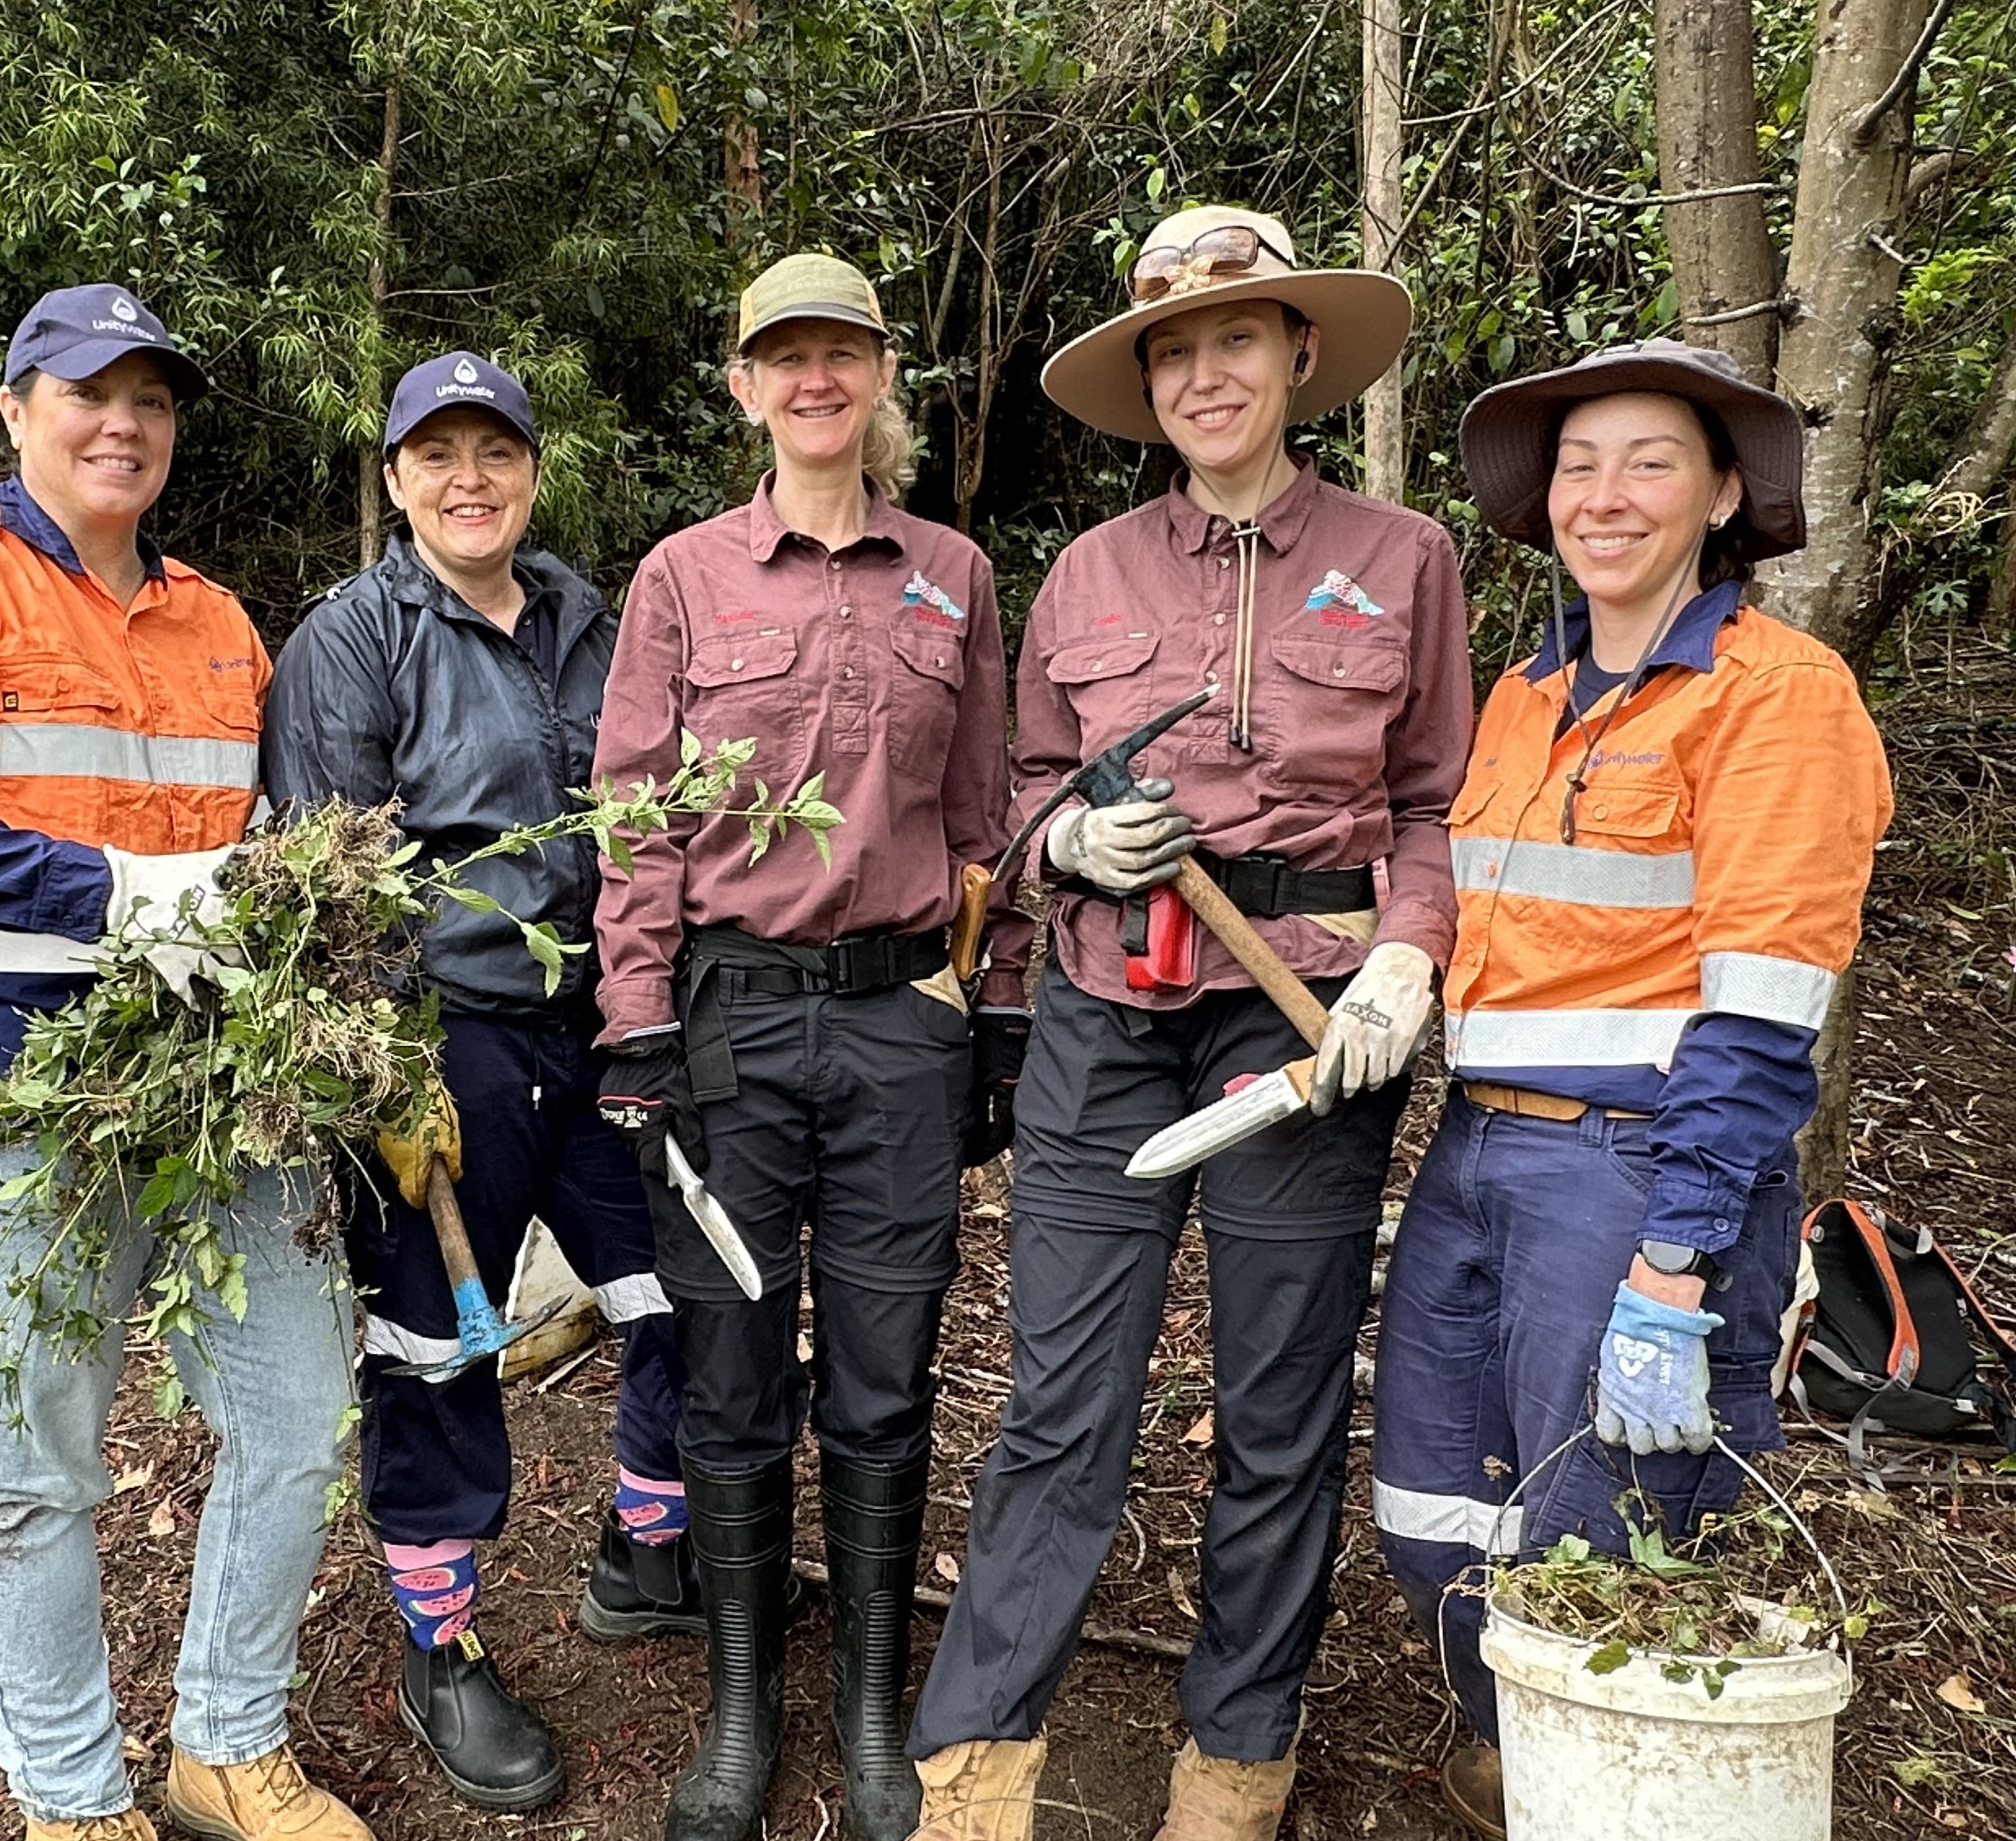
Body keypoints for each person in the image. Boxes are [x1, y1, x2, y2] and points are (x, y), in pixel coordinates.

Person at [910, 205, 1471, 1841]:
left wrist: (1409, 957)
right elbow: (1021, 791)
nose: (1205, 370)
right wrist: (1064, 843)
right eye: (1174, 346)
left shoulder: (1403, 557)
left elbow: (1436, 799)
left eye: (1238, 336)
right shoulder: (1087, 570)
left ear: (1301, 353)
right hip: (1104, 1009)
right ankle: (980, 1756)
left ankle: (1236, 1757)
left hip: (1303, 1025)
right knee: (1061, 1399)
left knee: (1280, 1402)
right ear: (1144, 376)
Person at [0, 285, 365, 1841]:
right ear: (15, 408)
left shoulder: (218, 619)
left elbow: (250, 851)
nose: (119, 422)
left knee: (298, 1409)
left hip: (209, 1084)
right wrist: (122, 895)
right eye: (84, 391)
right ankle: (71, 1800)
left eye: (150, 399)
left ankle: (224, 1743)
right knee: (33, 1458)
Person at [1366, 338, 1893, 1839]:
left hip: (1634, 1170)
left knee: (1607, 1522)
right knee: (1437, 1501)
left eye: (1648, 461)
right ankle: (1512, 1752)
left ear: (1723, 492)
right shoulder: (1526, 697)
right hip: (1475, 1152)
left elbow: (1763, 1008)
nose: (1604, 495)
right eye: (1577, 465)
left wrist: (1676, 1261)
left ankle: (1615, 1789)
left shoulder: (1774, 698)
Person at [590, 254, 1031, 1841]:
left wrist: (1001, 1013)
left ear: (880, 372)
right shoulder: (686, 578)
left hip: (905, 1020)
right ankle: (741, 1700)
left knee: (885, 1361)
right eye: (785, 354)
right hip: (731, 1025)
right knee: (728, 1357)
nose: (815, 376)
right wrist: (636, 1019)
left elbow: (985, 816)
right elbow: (637, 818)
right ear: (745, 383)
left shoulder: (956, 579)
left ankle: (865, 1700)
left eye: (841, 350)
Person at [260, 351, 693, 1812]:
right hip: (450, 1034)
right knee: (439, 1338)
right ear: (393, 479)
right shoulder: (352, 637)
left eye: (493, 451)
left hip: (612, 1016)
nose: (469, 479)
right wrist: (383, 1062)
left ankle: (648, 1543)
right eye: (435, 454)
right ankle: (437, 1640)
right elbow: (327, 864)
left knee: (683, 1286)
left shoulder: (595, 620)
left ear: (530, 467)